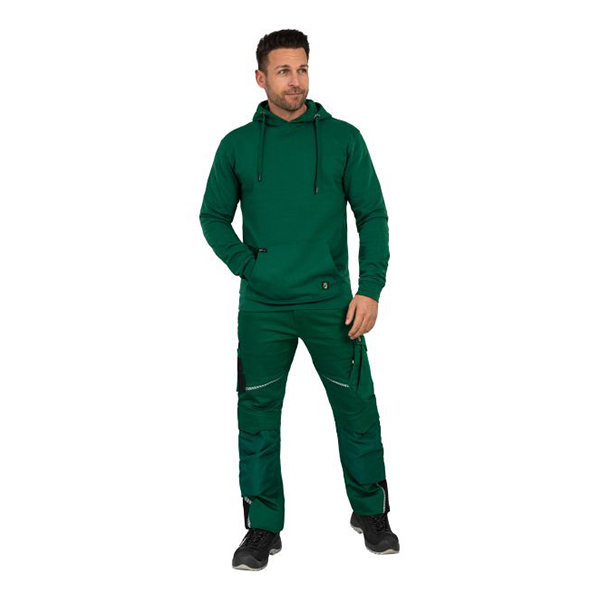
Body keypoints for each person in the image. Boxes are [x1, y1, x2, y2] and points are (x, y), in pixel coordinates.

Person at [199, 29, 399, 571]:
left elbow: (372, 215)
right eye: (284, 71)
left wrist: (370, 288)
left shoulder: (343, 138)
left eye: (302, 69)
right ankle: (263, 527)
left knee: (357, 409)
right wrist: (251, 267)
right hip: (263, 309)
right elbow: (212, 217)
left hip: (332, 304)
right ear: (260, 78)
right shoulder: (238, 145)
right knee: (257, 416)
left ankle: (371, 513)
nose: (296, 81)